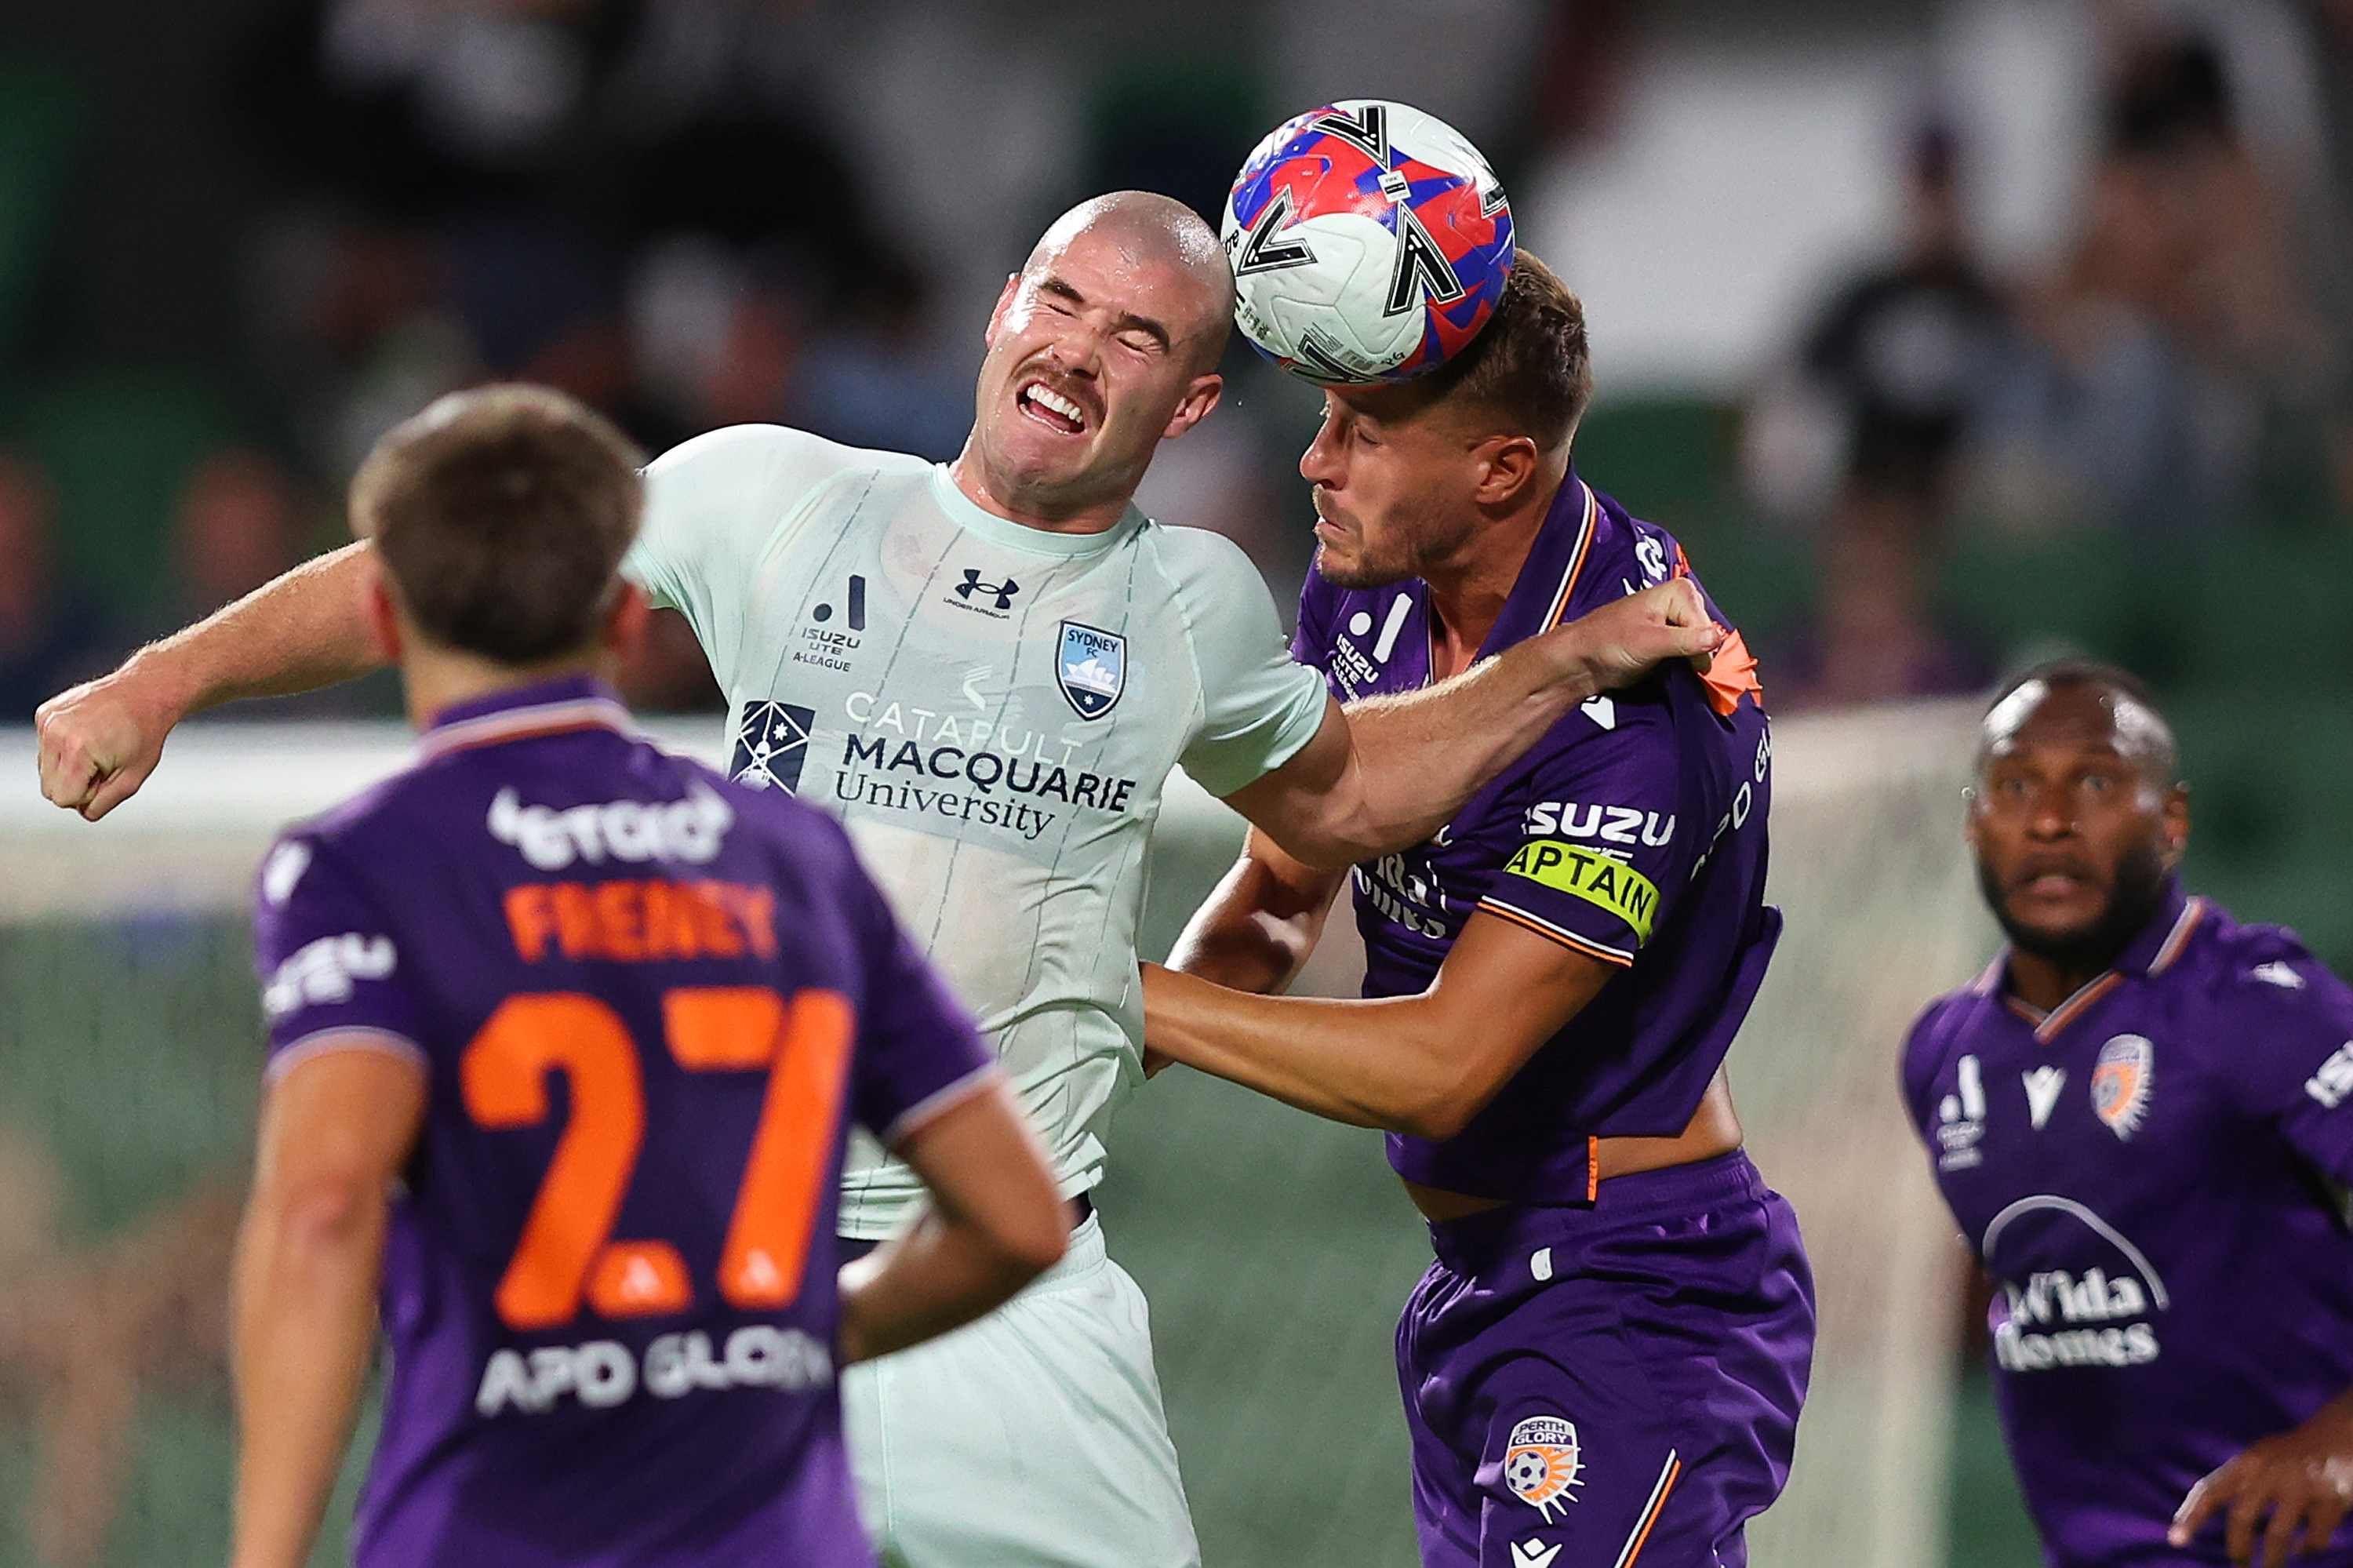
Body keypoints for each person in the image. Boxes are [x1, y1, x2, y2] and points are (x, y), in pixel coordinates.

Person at [37, 194, 1719, 1568]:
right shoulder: (771, 494)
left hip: (1024, 1294)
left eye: (1139, 337)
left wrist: (1566, 662)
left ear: (1193, 405)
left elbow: (1347, 793)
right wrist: (159, 680)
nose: (1081, 347)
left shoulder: (1196, 602)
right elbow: (437, 570)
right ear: (1001, 311)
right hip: (729, 1291)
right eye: (1062, 299)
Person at [228, 384, 1069, 1568]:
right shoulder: (797, 857)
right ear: (628, 618)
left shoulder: (367, 864)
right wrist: (804, 1335)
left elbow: (323, 1206)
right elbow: (1020, 1218)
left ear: (382, 609)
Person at [1142, 252, 1813, 1568]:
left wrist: (1123, 995)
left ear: (1500, 469)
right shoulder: (1372, 583)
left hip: (1635, 1286)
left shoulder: (1646, 717)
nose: (1316, 462)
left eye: (1365, 432)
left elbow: (1446, 1064)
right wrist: (1084, 1058)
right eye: (1327, 418)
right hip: (1482, 1281)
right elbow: (1282, 885)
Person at [1901, 662, 2353, 1568]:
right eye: (2016, 785)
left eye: (2097, 783)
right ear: (1975, 821)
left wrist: (2344, 1436)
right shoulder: (1942, 1054)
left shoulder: (2256, 1002)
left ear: (2171, 822)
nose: (2049, 819)